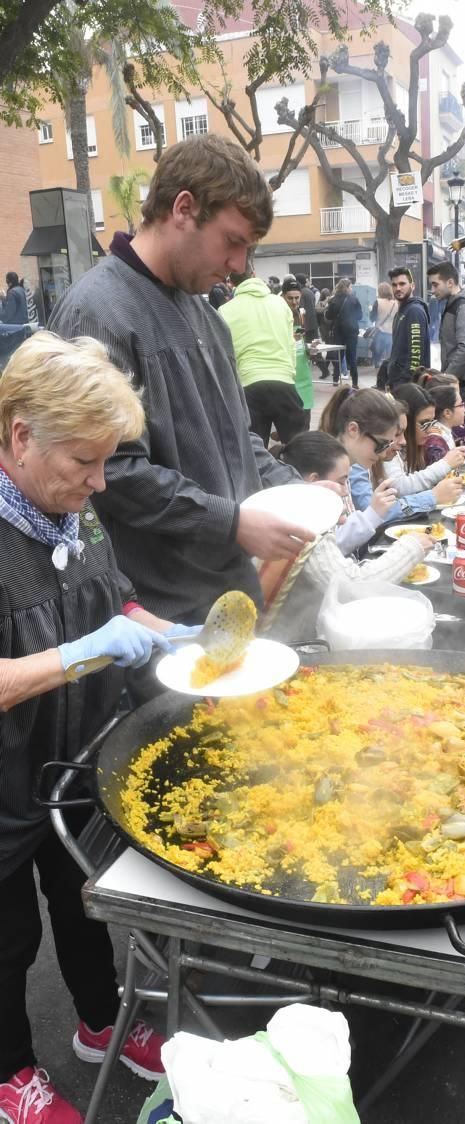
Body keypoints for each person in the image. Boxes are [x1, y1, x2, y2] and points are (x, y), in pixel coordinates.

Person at [0, 334, 188, 1124]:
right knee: (7, 942)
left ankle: (100, 1021)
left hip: (69, 765)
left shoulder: (73, 509)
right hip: (3, 787)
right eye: (84, 460)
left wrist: (176, 634)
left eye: (106, 460)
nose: (98, 480)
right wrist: (81, 653)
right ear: (19, 436)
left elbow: (119, 599)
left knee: (83, 903)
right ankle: (11, 1073)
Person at [48, 135, 313, 627]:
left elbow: (237, 439)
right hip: (157, 613)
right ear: (183, 208)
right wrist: (232, 522)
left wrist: (300, 491)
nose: (238, 266)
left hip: (231, 588)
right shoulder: (97, 314)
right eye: (233, 242)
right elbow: (114, 476)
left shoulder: (210, 318)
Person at [267, 431, 432, 644]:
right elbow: (353, 588)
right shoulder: (303, 525)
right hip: (295, 642)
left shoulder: (286, 504)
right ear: (314, 480)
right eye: (342, 482)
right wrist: (412, 547)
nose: (346, 492)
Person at [217, 263, 305, 449]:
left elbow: (224, 356)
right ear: (255, 274)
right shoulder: (280, 303)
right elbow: (291, 344)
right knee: (299, 450)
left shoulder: (225, 310)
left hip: (249, 384)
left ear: (230, 282)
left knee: (255, 453)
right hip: (283, 381)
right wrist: (290, 375)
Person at [349, 388, 463, 523]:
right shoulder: (355, 465)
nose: (402, 441)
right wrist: (432, 496)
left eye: (432, 422)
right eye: (396, 434)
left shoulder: (370, 458)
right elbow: (375, 513)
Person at [318, 387, 401, 554]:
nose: (384, 452)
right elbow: (327, 548)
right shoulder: (324, 469)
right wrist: (373, 513)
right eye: (381, 444)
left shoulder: (345, 464)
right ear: (353, 429)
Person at [427, 262, 465, 401]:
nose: (433, 290)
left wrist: (447, 377)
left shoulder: (463, 306)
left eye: (435, 285)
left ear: (450, 282)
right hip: (460, 379)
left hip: (463, 381)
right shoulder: (454, 302)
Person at [386, 267, 430, 390]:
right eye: (394, 285)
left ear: (412, 286)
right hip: (398, 382)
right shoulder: (402, 311)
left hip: (408, 386)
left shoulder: (414, 311)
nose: (398, 288)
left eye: (402, 284)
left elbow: (416, 356)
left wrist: (404, 384)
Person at [422, 382, 465, 465]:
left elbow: (457, 442)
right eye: (461, 404)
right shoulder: (436, 440)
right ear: (447, 413)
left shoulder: (444, 430)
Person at [281, 280, 314, 431]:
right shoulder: (278, 316)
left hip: (304, 374)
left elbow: (303, 340)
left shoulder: (301, 314)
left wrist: (310, 348)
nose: (294, 302)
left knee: (305, 423)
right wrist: (289, 340)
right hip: (288, 375)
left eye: (297, 298)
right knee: (291, 427)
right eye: (290, 298)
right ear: (283, 296)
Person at [325, 277, 362, 388]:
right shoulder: (354, 299)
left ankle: (335, 380)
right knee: (352, 358)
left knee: (338, 357)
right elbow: (360, 316)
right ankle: (355, 383)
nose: (351, 288)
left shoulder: (333, 300)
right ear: (347, 287)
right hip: (351, 332)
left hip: (338, 332)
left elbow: (328, 316)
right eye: (350, 286)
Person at [369, 281, 396, 369]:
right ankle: (388, 372)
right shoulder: (395, 303)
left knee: (378, 356)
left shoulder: (377, 302)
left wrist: (371, 310)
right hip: (392, 334)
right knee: (389, 356)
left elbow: (372, 318)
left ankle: (378, 373)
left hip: (380, 333)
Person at [294, 273, 319, 342]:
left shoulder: (301, 293)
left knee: (305, 346)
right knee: (314, 346)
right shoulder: (310, 291)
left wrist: (301, 326)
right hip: (313, 323)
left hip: (305, 325)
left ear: (298, 282)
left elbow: (301, 309)